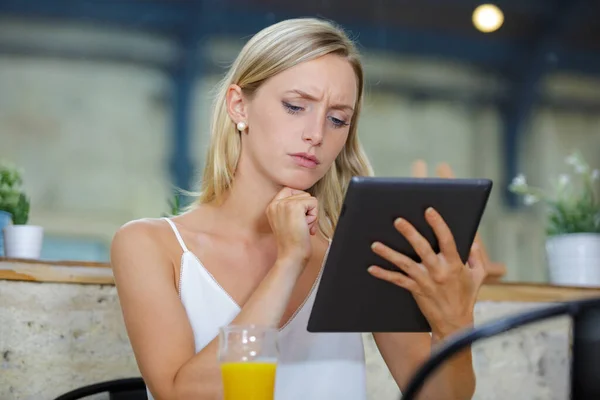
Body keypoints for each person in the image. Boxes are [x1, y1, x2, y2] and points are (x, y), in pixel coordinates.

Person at [111, 17, 496, 400]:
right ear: (238, 106)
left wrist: (455, 325)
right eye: (295, 106)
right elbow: (179, 395)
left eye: (337, 119)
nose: (316, 134)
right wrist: (289, 261)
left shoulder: (363, 253)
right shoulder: (149, 245)